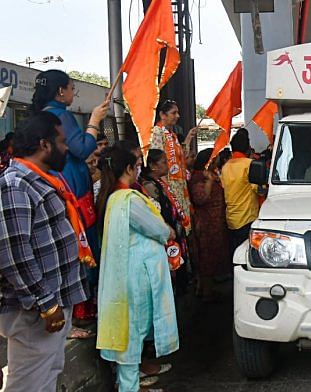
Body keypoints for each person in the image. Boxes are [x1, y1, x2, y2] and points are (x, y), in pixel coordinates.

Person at [0, 112, 89, 390]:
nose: (67, 148)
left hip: (50, 303)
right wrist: (45, 302)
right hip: (34, 310)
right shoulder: (16, 184)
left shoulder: (41, 180)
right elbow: (14, 255)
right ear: (45, 144)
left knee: (47, 375)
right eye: (62, 142)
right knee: (28, 384)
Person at [95, 146, 179, 392]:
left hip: (126, 276)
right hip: (135, 278)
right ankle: (129, 387)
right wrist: (169, 231)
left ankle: (130, 385)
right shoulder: (128, 200)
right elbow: (157, 228)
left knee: (130, 332)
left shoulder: (112, 197)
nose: (139, 170)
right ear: (129, 169)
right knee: (132, 332)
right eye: (137, 166)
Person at [32, 70, 109, 327]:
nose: (72, 93)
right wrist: (95, 120)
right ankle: (78, 311)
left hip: (60, 190)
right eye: (71, 88)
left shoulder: (42, 115)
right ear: (59, 92)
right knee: (82, 249)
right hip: (72, 194)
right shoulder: (60, 115)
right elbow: (82, 148)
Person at [140, 149, 190, 295]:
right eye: (164, 162)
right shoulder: (149, 186)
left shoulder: (159, 182)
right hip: (165, 235)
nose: (168, 165)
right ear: (153, 166)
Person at [149, 100, 196, 235]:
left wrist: (188, 139)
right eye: (173, 113)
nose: (178, 116)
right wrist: (164, 187)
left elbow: (181, 158)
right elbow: (156, 160)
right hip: (169, 186)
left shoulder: (172, 135)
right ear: (162, 115)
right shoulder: (157, 132)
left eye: (178, 113)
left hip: (179, 186)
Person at [189, 148, 229, 302]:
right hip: (206, 223)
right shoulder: (200, 178)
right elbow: (201, 199)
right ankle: (206, 293)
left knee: (212, 255)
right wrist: (210, 182)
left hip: (214, 222)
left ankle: (206, 289)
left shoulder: (210, 175)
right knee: (206, 256)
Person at [221, 131, 260, 258]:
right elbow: (259, 189)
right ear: (248, 147)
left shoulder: (225, 166)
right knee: (247, 255)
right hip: (247, 217)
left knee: (234, 254)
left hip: (231, 218)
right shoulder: (249, 164)